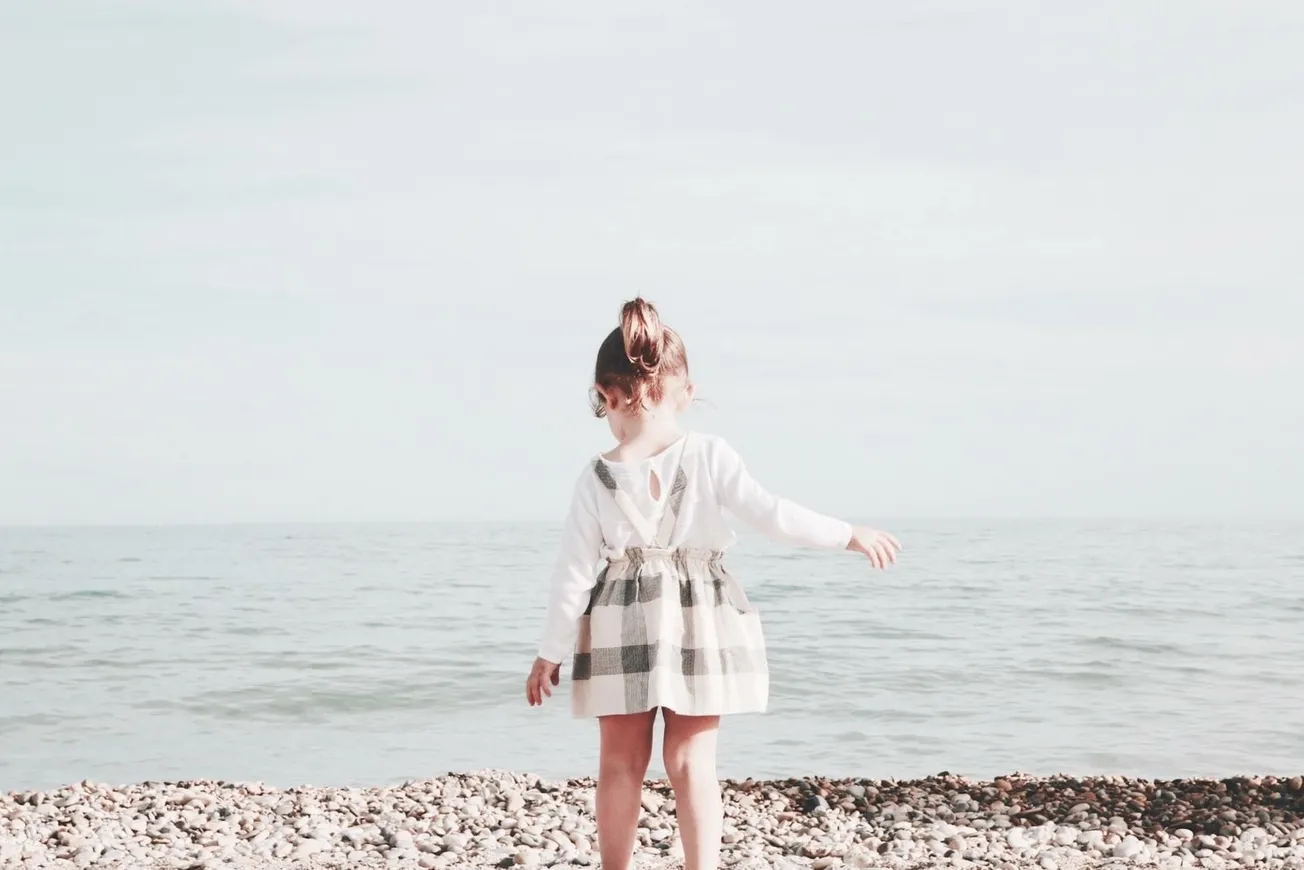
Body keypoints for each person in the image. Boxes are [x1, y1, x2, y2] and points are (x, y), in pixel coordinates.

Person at [525, 298, 901, 870]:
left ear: (604, 394)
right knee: (692, 762)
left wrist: (550, 654)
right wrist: (846, 534)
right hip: (700, 616)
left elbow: (573, 575)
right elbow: (772, 515)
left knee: (619, 764)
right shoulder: (708, 454)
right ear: (686, 390)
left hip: (618, 618)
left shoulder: (595, 477)